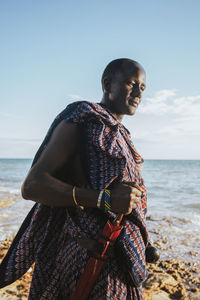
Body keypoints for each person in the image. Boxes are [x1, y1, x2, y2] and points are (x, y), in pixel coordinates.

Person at [0, 58, 150, 299]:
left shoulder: (123, 135)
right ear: (107, 83)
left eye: (142, 87)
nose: (138, 92)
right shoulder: (83, 119)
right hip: (85, 259)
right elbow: (33, 186)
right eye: (131, 83)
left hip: (118, 261)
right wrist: (105, 199)